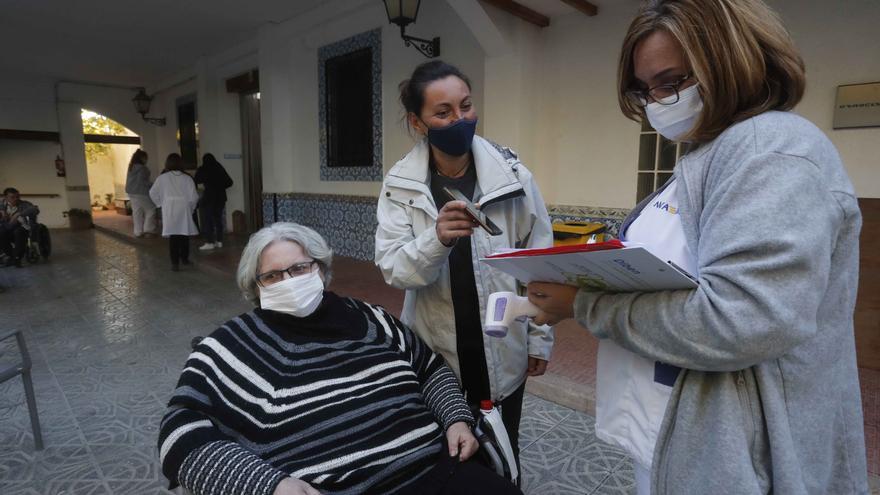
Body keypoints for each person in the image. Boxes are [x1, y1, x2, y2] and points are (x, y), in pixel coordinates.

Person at [526, 1, 868, 493]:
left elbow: (743, 320)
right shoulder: (709, 154)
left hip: (740, 461)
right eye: (644, 89)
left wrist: (586, 305)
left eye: (671, 82)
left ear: (730, 60)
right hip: (680, 442)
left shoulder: (771, 152)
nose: (656, 101)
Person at [157, 222, 522, 495]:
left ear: (320, 269)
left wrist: (456, 419)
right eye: (272, 276)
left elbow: (429, 369)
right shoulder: (234, 345)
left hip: (438, 470)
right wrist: (270, 485)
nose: (289, 280)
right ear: (255, 287)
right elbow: (179, 433)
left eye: (299, 268)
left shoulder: (370, 319)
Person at [375, 60, 554, 467]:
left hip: (502, 346)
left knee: (504, 453)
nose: (460, 119)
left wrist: (540, 338)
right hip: (436, 353)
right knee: (449, 458)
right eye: (443, 112)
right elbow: (393, 269)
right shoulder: (401, 185)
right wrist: (435, 238)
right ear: (418, 123)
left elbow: (539, 264)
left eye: (466, 106)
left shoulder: (512, 178)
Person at [149, 153, 199, 271]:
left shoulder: (162, 178)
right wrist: (190, 208)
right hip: (184, 208)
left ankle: (174, 263)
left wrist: (160, 204)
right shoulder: (187, 178)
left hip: (169, 208)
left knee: (173, 235)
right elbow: (194, 197)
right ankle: (185, 259)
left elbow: (152, 192)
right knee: (184, 234)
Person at [194, 152, 233, 251]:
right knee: (218, 219)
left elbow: (196, 180)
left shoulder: (203, 168)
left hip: (209, 198)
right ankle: (219, 241)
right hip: (220, 198)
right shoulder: (219, 167)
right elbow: (229, 182)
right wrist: (220, 186)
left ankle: (209, 242)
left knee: (207, 220)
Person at [0, 187, 39, 268]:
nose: (16, 199)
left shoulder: (24, 204)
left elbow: (35, 209)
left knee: (19, 232)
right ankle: (12, 256)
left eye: (17, 196)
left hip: (22, 227)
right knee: (1, 233)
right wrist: (2, 212)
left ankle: (17, 258)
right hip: (8, 228)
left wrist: (18, 214)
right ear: (6, 198)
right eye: (12, 197)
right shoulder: (2, 204)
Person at [124, 149, 157, 238]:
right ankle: (148, 230)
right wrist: (153, 184)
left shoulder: (131, 167)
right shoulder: (143, 168)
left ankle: (138, 232)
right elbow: (143, 181)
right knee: (151, 209)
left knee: (137, 211)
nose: (147, 160)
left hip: (131, 192)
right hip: (141, 192)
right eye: (146, 158)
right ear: (142, 158)